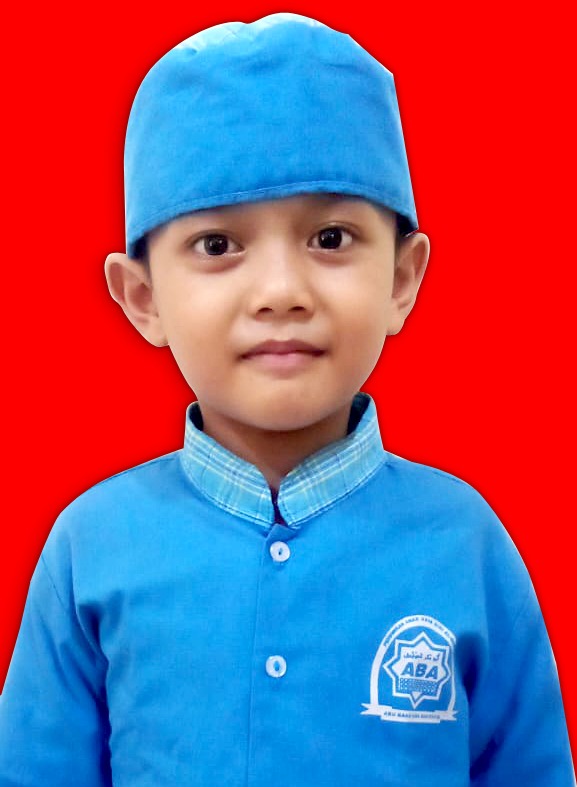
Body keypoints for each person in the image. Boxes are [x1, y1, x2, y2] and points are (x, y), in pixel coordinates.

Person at [0, 13, 573, 787]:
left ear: (402, 279)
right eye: (217, 245)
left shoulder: (465, 542)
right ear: (143, 298)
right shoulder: (89, 547)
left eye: (330, 238)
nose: (279, 291)